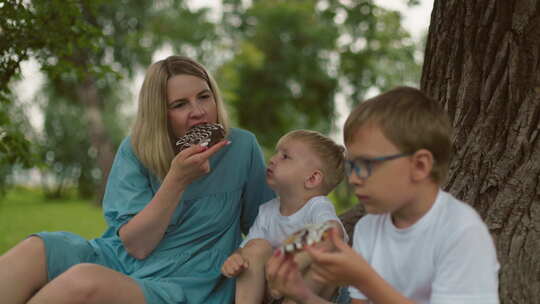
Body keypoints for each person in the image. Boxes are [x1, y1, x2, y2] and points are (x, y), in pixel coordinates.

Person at [0, 55, 275, 304]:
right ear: (159, 114)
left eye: (204, 97)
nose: (198, 111)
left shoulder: (241, 147)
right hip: (124, 258)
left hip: (187, 280)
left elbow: (266, 227)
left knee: (83, 282)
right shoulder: (136, 149)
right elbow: (137, 246)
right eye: (180, 104)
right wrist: (176, 180)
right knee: (36, 250)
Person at [265, 86, 500, 304]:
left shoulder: (460, 230)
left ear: (419, 166)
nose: (354, 178)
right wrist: (304, 295)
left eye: (366, 164)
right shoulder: (369, 228)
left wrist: (363, 279)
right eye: (352, 166)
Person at [221, 129, 348, 304]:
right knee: (256, 247)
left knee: (319, 251)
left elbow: (334, 233)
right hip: (275, 290)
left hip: (315, 293)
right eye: (276, 153)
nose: (272, 159)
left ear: (312, 179)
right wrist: (236, 258)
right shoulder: (267, 211)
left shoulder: (317, 206)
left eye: (285, 157)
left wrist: (291, 264)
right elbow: (247, 248)